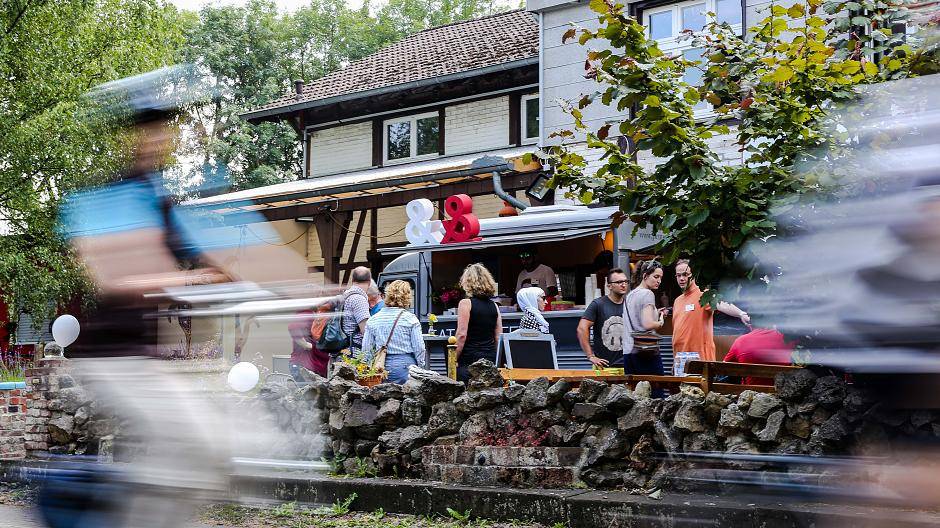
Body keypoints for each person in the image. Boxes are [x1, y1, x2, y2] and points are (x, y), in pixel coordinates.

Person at [672, 259, 750, 374]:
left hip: (699, 358)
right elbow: (676, 334)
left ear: (693, 275)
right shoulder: (677, 301)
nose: (681, 278)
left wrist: (740, 313)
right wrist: (675, 361)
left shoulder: (704, 294)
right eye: (678, 275)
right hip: (680, 359)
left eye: (685, 274)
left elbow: (722, 304)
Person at [361, 280, 426, 384]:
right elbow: (419, 348)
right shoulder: (410, 319)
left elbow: (366, 350)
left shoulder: (373, 319)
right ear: (407, 297)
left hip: (380, 367)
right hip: (405, 367)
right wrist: (420, 366)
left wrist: (368, 369)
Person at [454, 263, 502, 382]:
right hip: (489, 358)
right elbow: (498, 337)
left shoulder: (465, 303)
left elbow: (461, 335)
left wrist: (453, 359)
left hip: (469, 359)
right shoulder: (494, 306)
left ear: (467, 282)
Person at [622, 260, 667, 376]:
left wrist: (656, 312)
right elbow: (648, 324)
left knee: (633, 387)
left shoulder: (630, 295)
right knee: (657, 387)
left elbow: (635, 318)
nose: (659, 281)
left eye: (661, 278)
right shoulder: (648, 294)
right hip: (645, 352)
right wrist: (661, 321)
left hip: (628, 353)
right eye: (656, 277)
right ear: (645, 276)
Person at [578, 268, 629, 367]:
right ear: (609, 286)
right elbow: (582, 329)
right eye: (619, 282)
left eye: (625, 281)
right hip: (604, 367)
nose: (623, 285)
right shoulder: (598, 304)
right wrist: (590, 356)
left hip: (628, 366)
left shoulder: (630, 304)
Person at [724, 327, 795, 385]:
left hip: (750, 394)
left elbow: (724, 368)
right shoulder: (789, 339)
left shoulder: (740, 341)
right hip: (782, 393)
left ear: (750, 324)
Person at [342, 266, 373, 354]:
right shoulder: (359, 299)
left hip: (340, 350)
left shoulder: (345, 296)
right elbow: (365, 330)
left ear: (352, 280)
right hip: (352, 352)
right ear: (369, 282)